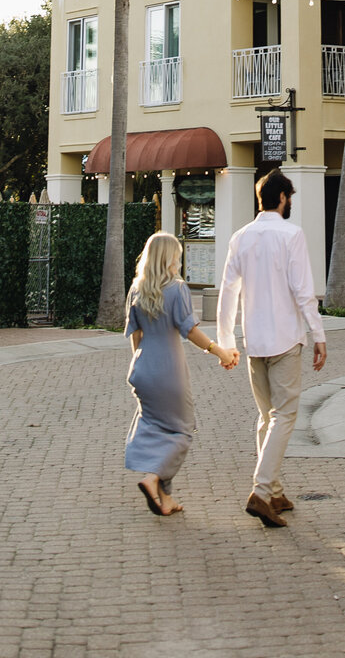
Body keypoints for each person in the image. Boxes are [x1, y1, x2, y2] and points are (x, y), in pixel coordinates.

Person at [216, 169, 326, 529]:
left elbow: (227, 292)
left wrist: (226, 343)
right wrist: (318, 334)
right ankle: (262, 492)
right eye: (289, 197)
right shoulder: (291, 235)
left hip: (254, 342)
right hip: (283, 339)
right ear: (281, 198)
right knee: (284, 416)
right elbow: (302, 290)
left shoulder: (240, 237)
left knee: (266, 417)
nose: (290, 203)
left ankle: (275, 490)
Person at [124, 231, 238, 517]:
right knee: (182, 431)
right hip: (169, 370)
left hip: (142, 368)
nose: (180, 261)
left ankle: (166, 498)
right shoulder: (177, 289)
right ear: (170, 258)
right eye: (177, 256)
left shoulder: (137, 289)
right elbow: (190, 331)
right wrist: (220, 351)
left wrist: (138, 364)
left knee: (158, 427)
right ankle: (152, 478)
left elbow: (135, 335)